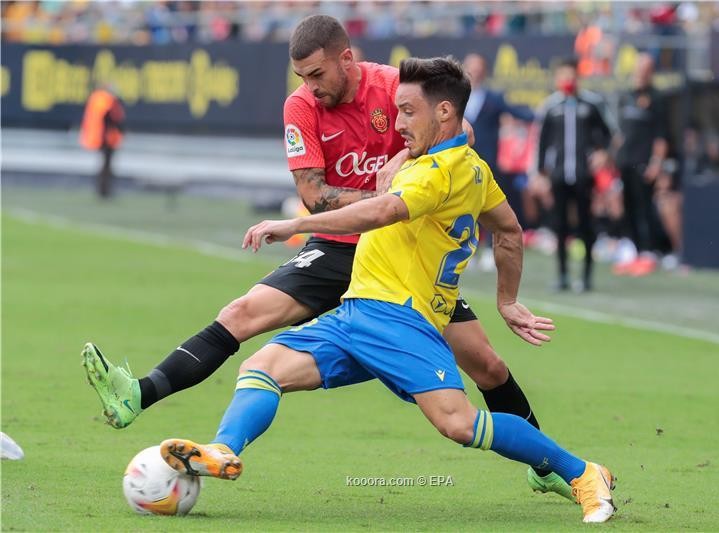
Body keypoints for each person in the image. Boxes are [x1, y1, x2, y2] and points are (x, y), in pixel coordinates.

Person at [82, 15, 571, 500]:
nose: (310, 87)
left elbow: (460, 130)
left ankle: (547, 465)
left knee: (486, 364)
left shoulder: (391, 87)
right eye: (301, 78)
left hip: (403, 261)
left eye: (317, 75)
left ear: (346, 59)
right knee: (241, 314)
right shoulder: (300, 107)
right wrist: (381, 199)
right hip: (338, 247)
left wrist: (402, 165)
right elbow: (314, 197)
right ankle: (139, 395)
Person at [160, 56, 616, 524]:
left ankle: (582, 473)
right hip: (359, 312)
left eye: (407, 112)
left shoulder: (434, 174)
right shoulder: (471, 168)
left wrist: (295, 224)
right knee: (262, 367)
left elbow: (380, 213)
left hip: (401, 317)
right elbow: (510, 231)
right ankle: (222, 450)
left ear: (442, 113)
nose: (397, 124)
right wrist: (506, 300)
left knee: (459, 424)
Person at [537, 58, 611, 292]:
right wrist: (541, 174)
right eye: (564, 76)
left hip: (583, 174)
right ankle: (562, 275)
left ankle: (586, 276)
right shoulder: (551, 107)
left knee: (586, 225)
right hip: (559, 175)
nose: (568, 80)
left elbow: (608, 135)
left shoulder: (590, 104)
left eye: (572, 76)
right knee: (559, 226)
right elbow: (542, 144)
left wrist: (602, 154)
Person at [462, 53, 534, 271]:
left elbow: (516, 112)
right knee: (465, 206)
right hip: (461, 160)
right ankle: (468, 251)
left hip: (488, 162)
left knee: (488, 208)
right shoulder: (456, 97)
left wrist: (537, 115)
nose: (475, 72)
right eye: (471, 67)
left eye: (479, 67)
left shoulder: (493, 98)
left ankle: (486, 249)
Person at [613, 52, 669, 277]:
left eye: (646, 68)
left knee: (644, 207)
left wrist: (657, 163)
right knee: (628, 207)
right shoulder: (626, 96)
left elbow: (661, 136)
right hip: (625, 161)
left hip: (644, 162)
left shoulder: (657, 98)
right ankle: (635, 251)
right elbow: (620, 133)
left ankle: (648, 252)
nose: (641, 73)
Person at [79, 84, 125, 199]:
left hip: (101, 137)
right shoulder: (107, 100)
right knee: (106, 166)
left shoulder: (97, 98)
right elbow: (110, 118)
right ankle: (104, 190)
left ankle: (103, 189)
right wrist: (120, 129)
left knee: (105, 165)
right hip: (107, 138)